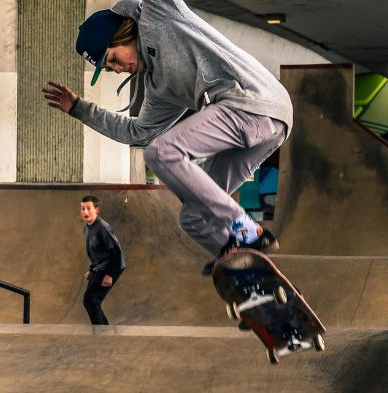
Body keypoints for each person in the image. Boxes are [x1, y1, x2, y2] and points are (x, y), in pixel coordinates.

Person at [42, 0, 292, 276]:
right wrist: (79, 109)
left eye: (113, 59)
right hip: (266, 126)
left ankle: (246, 229)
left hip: (252, 101)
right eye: (111, 69)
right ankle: (249, 276)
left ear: (123, 33)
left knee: (162, 152)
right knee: (193, 218)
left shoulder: (159, 14)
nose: (118, 69)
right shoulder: (158, 88)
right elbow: (136, 132)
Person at [79, 195, 125, 325]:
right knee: (92, 300)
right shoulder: (87, 227)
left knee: (90, 299)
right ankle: (104, 331)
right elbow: (97, 253)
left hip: (112, 266)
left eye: (89, 208)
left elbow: (116, 252)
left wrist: (110, 275)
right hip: (100, 267)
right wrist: (92, 270)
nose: (85, 212)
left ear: (97, 210)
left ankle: (100, 332)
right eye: (82, 208)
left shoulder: (103, 228)